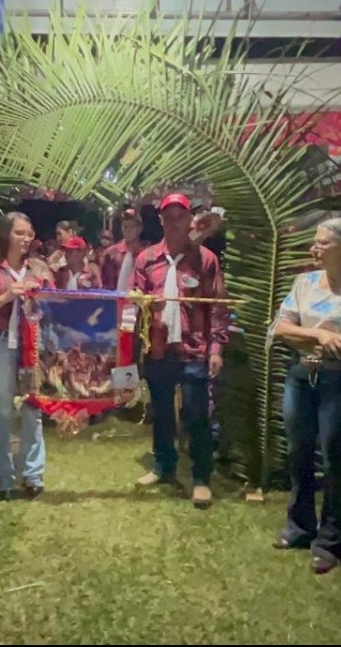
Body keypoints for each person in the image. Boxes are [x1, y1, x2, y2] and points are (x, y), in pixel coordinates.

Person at [269, 216, 341, 572]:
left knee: (334, 458)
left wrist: (302, 332)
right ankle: (300, 526)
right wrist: (319, 335)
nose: (314, 249)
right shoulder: (304, 283)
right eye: (315, 242)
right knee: (298, 452)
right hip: (301, 376)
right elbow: (279, 328)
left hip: (338, 382)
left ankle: (331, 539)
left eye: (323, 243)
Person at [131, 192, 229, 508]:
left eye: (180, 216)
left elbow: (217, 308)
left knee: (196, 414)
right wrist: (145, 302)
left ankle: (201, 477)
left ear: (190, 219)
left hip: (194, 348)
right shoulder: (146, 259)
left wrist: (216, 348)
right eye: (168, 217)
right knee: (161, 412)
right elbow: (135, 300)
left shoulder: (206, 260)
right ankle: (164, 466)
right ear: (160, 220)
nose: (174, 222)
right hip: (158, 348)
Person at [0, 212, 54, 501]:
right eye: (20, 233)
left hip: (32, 347)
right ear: (5, 235)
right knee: (2, 411)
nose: (26, 239)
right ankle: (4, 477)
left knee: (32, 409)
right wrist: (7, 296)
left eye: (29, 234)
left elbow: (57, 305)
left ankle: (33, 475)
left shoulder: (39, 269)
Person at [100, 208, 148, 292]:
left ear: (139, 229)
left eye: (131, 227)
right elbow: (105, 282)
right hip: (114, 299)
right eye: (125, 227)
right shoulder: (111, 253)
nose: (127, 230)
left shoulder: (145, 255)